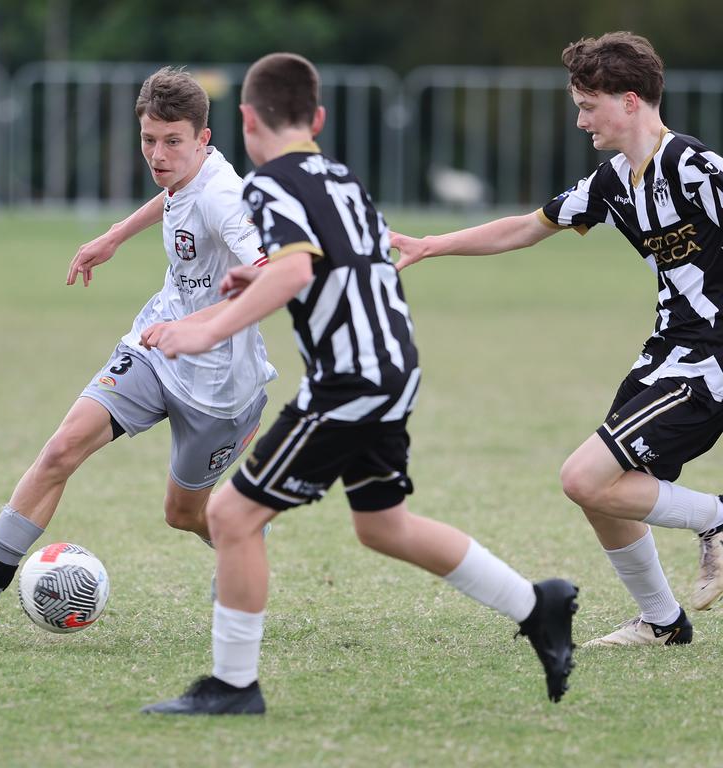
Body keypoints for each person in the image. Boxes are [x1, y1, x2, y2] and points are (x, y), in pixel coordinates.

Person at [141, 52, 578, 716]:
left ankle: (234, 688)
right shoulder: (340, 176)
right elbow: (328, 261)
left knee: (230, 514)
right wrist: (255, 276)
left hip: (350, 377)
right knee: (383, 525)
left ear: (244, 120)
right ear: (315, 118)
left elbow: (294, 273)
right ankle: (535, 604)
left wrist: (203, 330)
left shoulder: (267, 185)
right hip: (395, 365)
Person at [0, 67, 276, 636]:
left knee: (183, 514)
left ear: (204, 138)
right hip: (154, 349)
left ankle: (240, 532)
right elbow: (173, 198)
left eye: (172, 141)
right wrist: (115, 235)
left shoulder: (228, 198)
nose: (157, 154)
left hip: (221, 385)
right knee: (61, 449)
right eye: (149, 140)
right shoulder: (188, 175)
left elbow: (269, 278)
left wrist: (196, 327)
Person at [391, 32, 723, 647]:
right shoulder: (611, 183)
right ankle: (662, 622)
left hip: (710, 361)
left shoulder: (695, 168)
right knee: (605, 493)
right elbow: (524, 227)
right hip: (665, 354)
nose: (579, 120)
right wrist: (432, 245)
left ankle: (716, 520)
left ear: (629, 101)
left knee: (583, 476)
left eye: (587, 105)